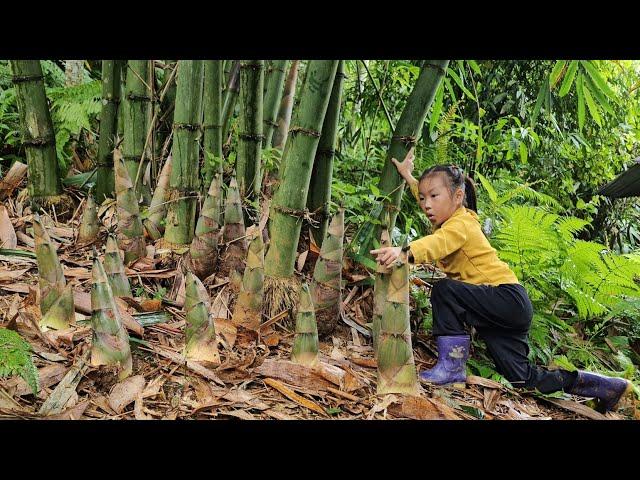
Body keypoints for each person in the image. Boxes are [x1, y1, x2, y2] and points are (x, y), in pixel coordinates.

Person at [370, 149, 633, 412]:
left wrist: (404, 252)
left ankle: (451, 368)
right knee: (522, 378)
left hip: (505, 298)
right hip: (504, 308)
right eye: (424, 197)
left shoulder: (461, 224)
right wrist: (408, 176)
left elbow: (438, 243)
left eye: (434, 196)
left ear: (458, 196)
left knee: (444, 291)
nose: (426, 204)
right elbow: (426, 197)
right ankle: (603, 385)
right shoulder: (449, 214)